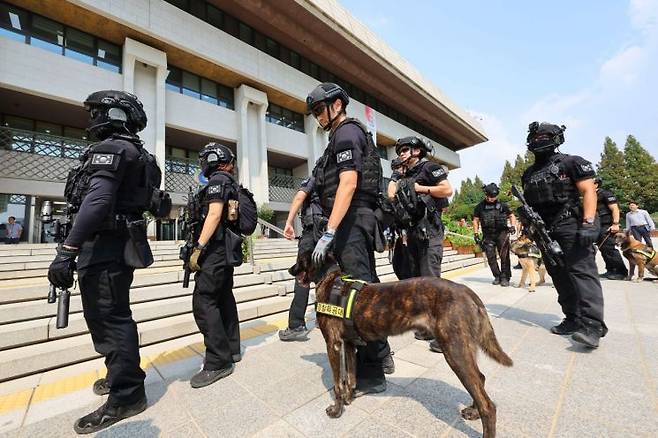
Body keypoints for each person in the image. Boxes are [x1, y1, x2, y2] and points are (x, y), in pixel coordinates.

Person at [47, 90, 163, 433]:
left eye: (96, 112)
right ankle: (120, 376)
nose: (92, 119)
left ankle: (127, 394)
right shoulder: (137, 152)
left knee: (110, 321)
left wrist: (67, 250)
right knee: (113, 317)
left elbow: (96, 203)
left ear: (114, 115)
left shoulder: (112, 149)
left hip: (105, 248)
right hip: (114, 246)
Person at [306, 82, 394, 391]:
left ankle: (373, 371)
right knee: (364, 289)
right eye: (314, 112)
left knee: (360, 297)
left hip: (352, 222)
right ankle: (381, 355)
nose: (318, 116)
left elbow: (348, 183)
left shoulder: (346, 133)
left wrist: (330, 231)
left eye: (320, 110)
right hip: (353, 221)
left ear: (337, 106)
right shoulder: (342, 136)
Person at [522, 121, 606, 348]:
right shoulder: (528, 174)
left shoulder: (572, 162)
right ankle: (572, 317)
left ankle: (593, 325)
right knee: (558, 275)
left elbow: (588, 190)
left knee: (582, 272)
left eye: (545, 136)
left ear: (557, 138)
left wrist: (589, 223)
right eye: (536, 137)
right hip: (545, 230)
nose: (540, 140)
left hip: (570, 224)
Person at [188, 143, 243, 388]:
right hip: (224, 252)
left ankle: (217, 362)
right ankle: (231, 350)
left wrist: (198, 248)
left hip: (215, 252)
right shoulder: (227, 180)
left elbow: (213, 214)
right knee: (223, 298)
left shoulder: (218, 181)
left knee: (204, 301)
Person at [394, 136, 453, 352]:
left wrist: (421, 189)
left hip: (430, 232)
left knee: (431, 282)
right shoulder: (405, 174)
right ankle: (428, 327)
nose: (401, 153)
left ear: (417, 151)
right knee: (418, 281)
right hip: (413, 232)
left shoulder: (429, 167)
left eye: (405, 149)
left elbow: (447, 190)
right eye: (399, 150)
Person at [278, 172, 324, 341]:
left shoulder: (314, 178)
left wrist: (289, 222)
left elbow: (300, 197)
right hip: (327, 236)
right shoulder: (333, 181)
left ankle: (296, 325)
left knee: (302, 279)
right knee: (324, 279)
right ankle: (323, 318)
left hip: (311, 235)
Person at [473, 183, 517, 287]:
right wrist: (475, 233)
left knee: (504, 256)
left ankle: (505, 277)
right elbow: (475, 220)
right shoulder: (479, 207)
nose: (493, 198)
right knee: (491, 257)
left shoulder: (503, 205)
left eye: (494, 197)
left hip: (502, 233)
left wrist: (513, 226)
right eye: (491, 197)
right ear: (486, 194)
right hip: (488, 235)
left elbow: (511, 215)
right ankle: (497, 276)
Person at [594, 177, 627, 280]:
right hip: (598, 225)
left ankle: (621, 272)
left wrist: (616, 224)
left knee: (609, 248)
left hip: (607, 225)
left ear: (596, 184)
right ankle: (611, 270)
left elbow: (615, 209)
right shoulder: (590, 195)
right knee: (603, 248)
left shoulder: (605, 194)